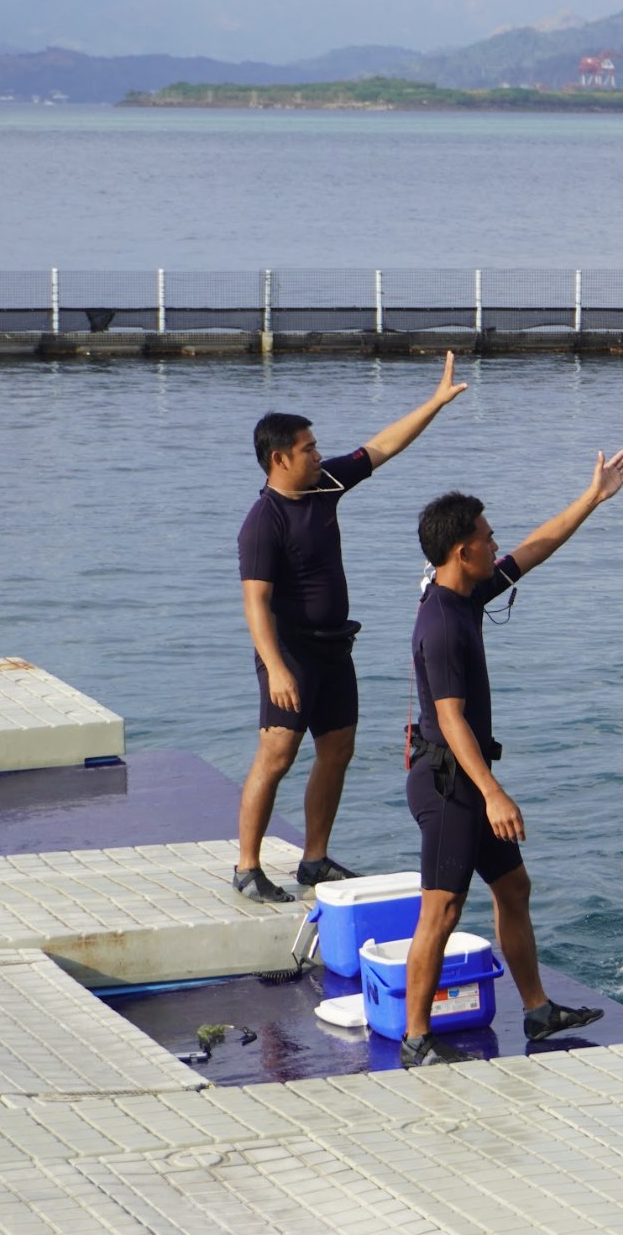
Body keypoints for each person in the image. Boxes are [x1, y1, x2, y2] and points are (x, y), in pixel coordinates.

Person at [397, 448, 623, 1067]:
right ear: (462, 552)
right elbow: (449, 719)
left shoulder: (465, 595)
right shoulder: (444, 622)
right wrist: (494, 793)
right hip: (450, 783)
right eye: (486, 536)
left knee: (513, 887)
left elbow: (536, 546)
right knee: (442, 909)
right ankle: (417, 1039)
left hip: (464, 778)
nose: (495, 542)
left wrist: (594, 497)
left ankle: (536, 1011)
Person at [235, 353, 471, 904]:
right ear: (279, 459)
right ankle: (247, 867)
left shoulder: (324, 485)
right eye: (308, 449)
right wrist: (274, 669)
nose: (319, 454)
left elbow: (383, 446)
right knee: (276, 755)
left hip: (335, 648)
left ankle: (314, 860)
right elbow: (255, 605)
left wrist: (434, 402)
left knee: (338, 748)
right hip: (288, 654)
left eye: (317, 447)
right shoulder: (262, 523)